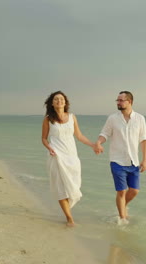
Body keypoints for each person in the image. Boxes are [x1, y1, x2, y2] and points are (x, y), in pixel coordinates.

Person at [41, 91, 96, 227]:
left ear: (65, 102)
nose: (59, 101)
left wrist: (93, 145)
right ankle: (69, 218)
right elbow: (43, 138)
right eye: (56, 99)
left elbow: (79, 135)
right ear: (52, 103)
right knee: (61, 188)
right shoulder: (48, 119)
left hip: (71, 156)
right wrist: (49, 148)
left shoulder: (72, 117)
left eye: (61, 99)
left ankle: (67, 209)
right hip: (56, 156)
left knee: (74, 185)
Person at [94, 91, 146, 225]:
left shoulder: (140, 119)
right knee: (121, 192)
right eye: (117, 100)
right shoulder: (112, 118)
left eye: (121, 100)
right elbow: (104, 134)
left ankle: (122, 207)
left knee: (134, 190)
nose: (118, 103)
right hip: (117, 161)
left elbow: (144, 139)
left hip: (133, 161)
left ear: (129, 102)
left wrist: (145, 160)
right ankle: (122, 221)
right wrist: (99, 142)